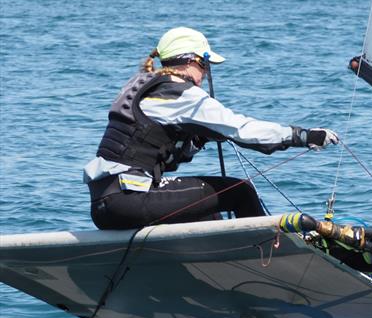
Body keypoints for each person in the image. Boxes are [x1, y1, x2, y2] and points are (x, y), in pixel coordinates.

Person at [84, 27, 338, 230]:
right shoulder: (181, 93)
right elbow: (244, 130)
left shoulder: (142, 85)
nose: (205, 74)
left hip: (104, 206)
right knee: (240, 192)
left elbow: (154, 150)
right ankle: (268, 258)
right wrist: (303, 136)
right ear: (193, 61)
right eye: (205, 66)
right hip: (131, 201)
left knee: (208, 214)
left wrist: (194, 142)